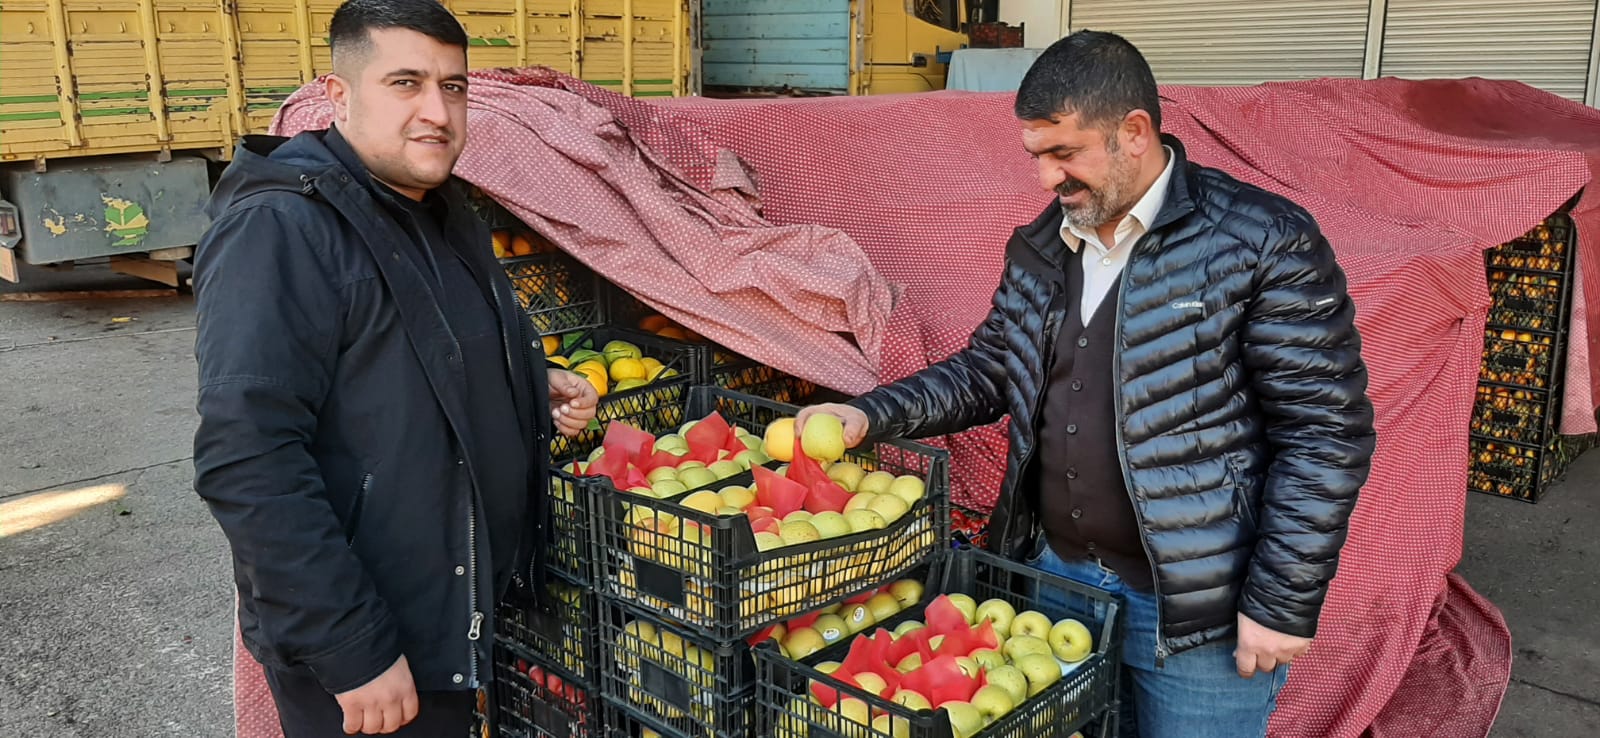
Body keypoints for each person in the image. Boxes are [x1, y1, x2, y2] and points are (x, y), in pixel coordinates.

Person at [797, 30, 1377, 738]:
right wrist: (868, 416)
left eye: (1063, 154)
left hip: (1197, 617)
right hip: (1057, 587)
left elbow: (1324, 432)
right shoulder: (1047, 241)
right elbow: (989, 368)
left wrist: (1281, 602)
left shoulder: (1262, 241)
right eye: (1036, 157)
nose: (1046, 179)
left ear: (1134, 132)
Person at [191, 0, 598, 734]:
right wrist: (351, 650)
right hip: (378, 650)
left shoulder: (438, 209)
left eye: (454, 86)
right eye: (405, 83)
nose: (437, 111)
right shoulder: (282, 229)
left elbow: (415, 360)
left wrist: (526, 385)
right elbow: (247, 459)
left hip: (451, 619)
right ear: (338, 94)